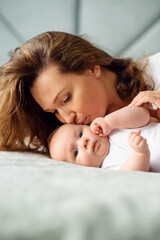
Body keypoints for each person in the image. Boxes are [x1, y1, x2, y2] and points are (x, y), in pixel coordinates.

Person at [0, 31, 160, 153]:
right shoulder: (83, 144)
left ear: (91, 67)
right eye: (54, 111)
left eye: (66, 99)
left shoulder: (156, 71)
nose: (67, 118)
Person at [48, 105, 159, 172]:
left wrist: (109, 122)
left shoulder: (114, 125)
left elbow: (144, 115)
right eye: (76, 152)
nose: (83, 142)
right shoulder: (108, 166)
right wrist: (140, 153)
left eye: (81, 134)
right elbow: (135, 173)